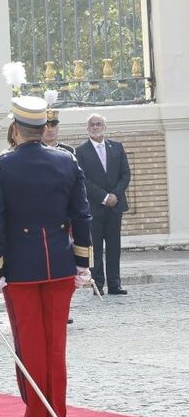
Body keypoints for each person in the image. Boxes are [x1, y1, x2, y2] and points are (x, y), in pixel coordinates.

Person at [0, 96, 93, 417]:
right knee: (55, 342)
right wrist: (82, 263)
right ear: (44, 129)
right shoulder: (67, 161)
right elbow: (82, 216)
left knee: (30, 342)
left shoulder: (0, 166)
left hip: (21, 269)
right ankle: (57, 413)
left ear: (15, 130)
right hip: (60, 265)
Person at [75, 114, 131, 295]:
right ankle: (97, 284)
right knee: (96, 248)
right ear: (87, 128)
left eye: (98, 124)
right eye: (92, 124)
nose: (95, 127)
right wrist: (104, 197)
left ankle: (115, 284)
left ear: (104, 127)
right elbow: (83, 179)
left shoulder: (116, 147)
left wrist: (115, 194)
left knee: (114, 246)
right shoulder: (81, 151)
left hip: (116, 205)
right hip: (95, 206)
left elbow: (125, 174)